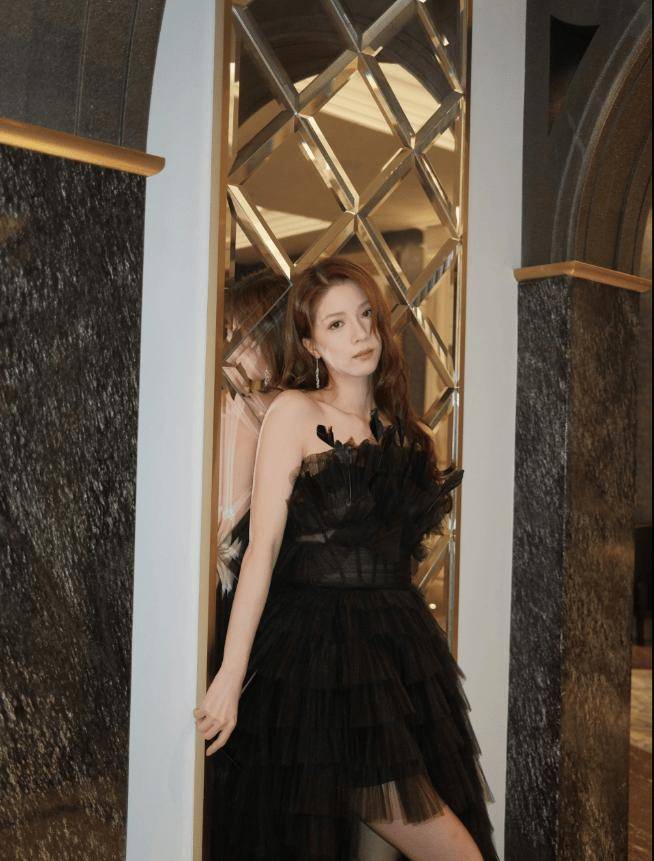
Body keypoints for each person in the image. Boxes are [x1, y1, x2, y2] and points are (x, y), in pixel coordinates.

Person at [194, 257, 499, 861]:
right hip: (320, 660)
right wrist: (230, 675)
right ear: (311, 343)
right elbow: (263, 550)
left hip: (397, 658)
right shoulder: (295, 413)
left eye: (364, 317)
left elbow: (399, 557)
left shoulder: (410, 435)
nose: (359, 335)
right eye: (336, 324)